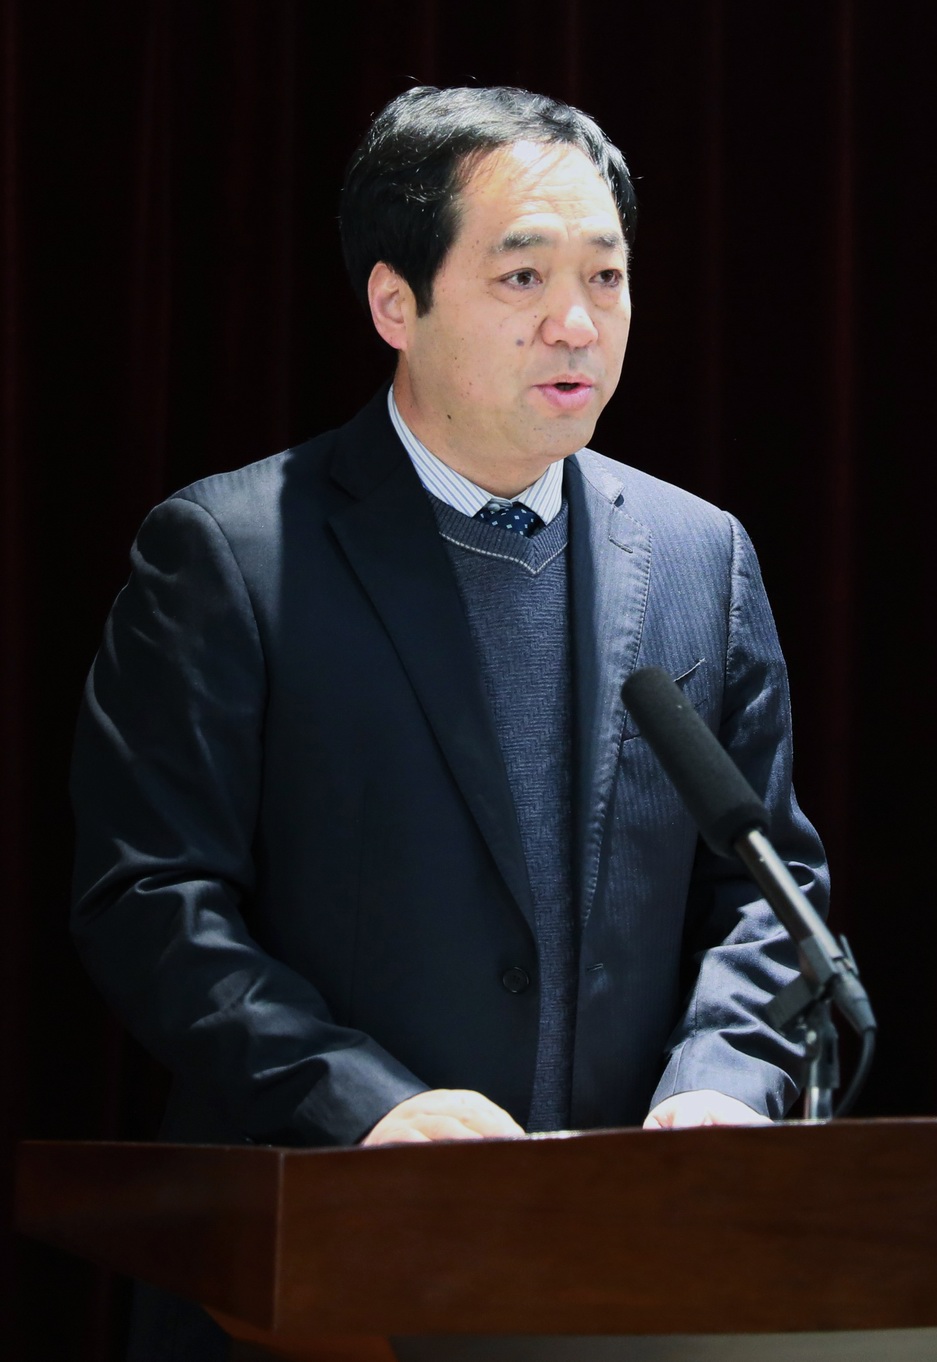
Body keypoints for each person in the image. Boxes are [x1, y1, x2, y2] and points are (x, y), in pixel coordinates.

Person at [71, 85, 828, 1357]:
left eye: (606, 276)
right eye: (522, 277)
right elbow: (149, 901)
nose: (576, 322)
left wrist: (721, 1085)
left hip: (629, 1276)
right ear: (395, 304)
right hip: (317, 1272)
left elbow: (766, 891)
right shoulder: (232, 554)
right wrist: (362, 1105)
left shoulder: (701, 558)